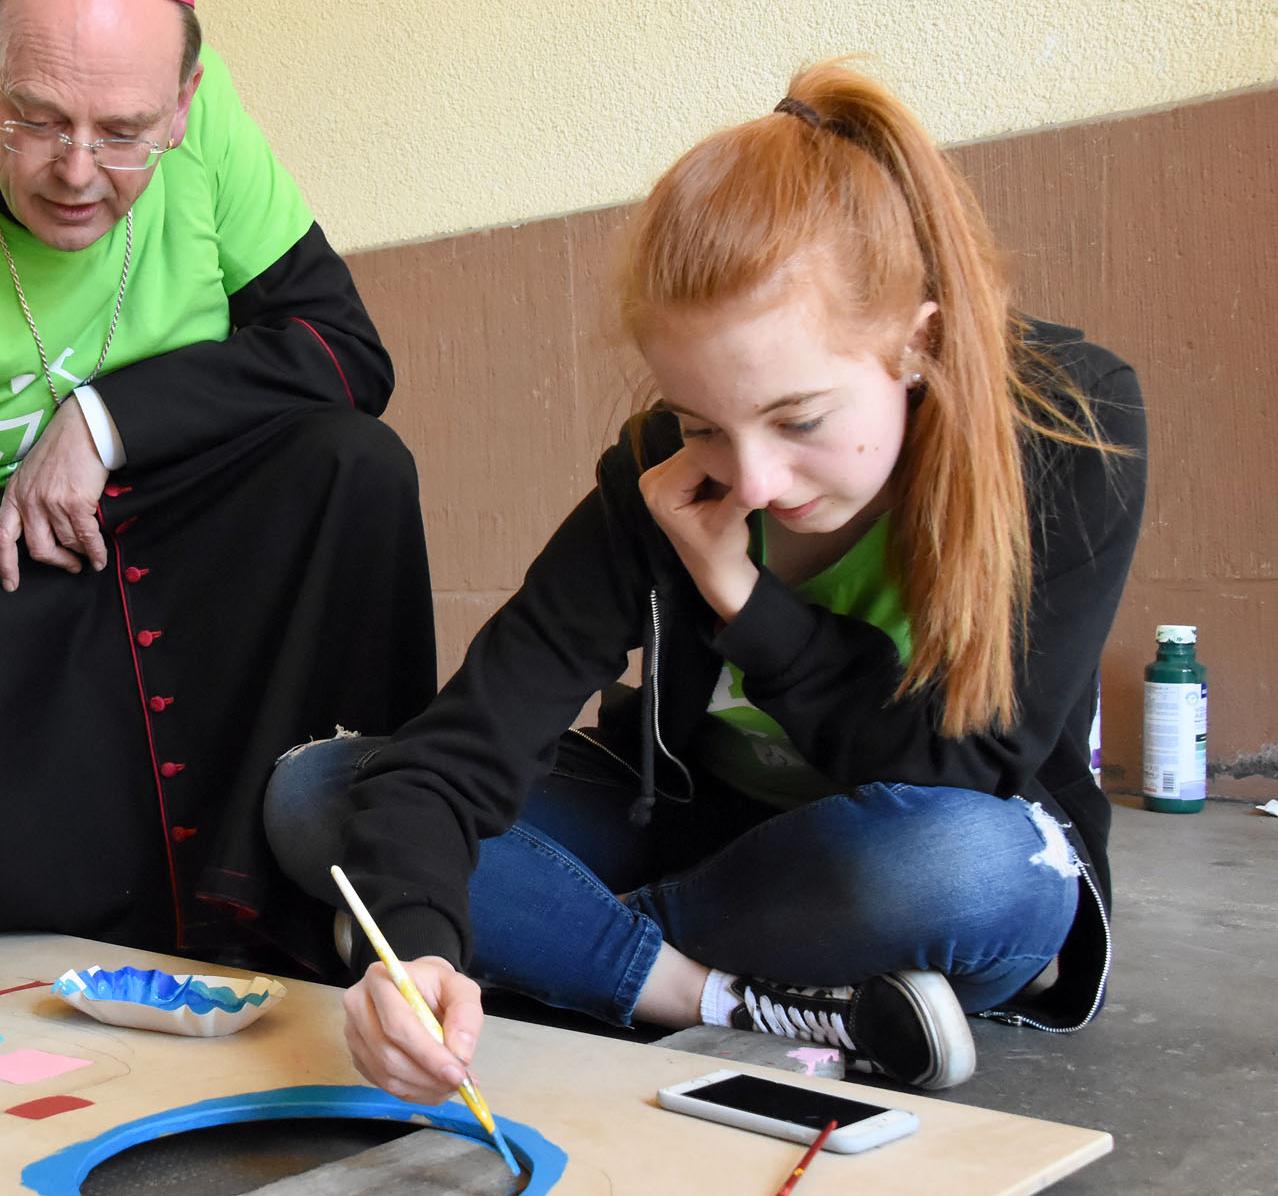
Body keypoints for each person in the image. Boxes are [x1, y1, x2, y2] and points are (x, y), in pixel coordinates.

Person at [268, 60, 1144, 1095]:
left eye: (799, 420)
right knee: (317, 792)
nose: (753, 478)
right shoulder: (656, 475)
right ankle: (717, 996)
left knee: (962, 866)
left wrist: (743, 600)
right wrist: (414, 950)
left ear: (918, 342)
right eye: (699, 423)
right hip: (705, 828)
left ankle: (573, 949)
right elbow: (452, 754)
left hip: (905, 855)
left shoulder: (1060, 429)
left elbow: (972, 760)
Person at [0, 0, 436, 1000]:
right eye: (35, 119)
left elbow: (343, 350)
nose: (75, 172)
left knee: (349, 462)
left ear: (182, 104)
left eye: (121, 136)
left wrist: (107, 420)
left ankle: (349, 885)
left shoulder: (209, 135)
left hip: (181, 531)